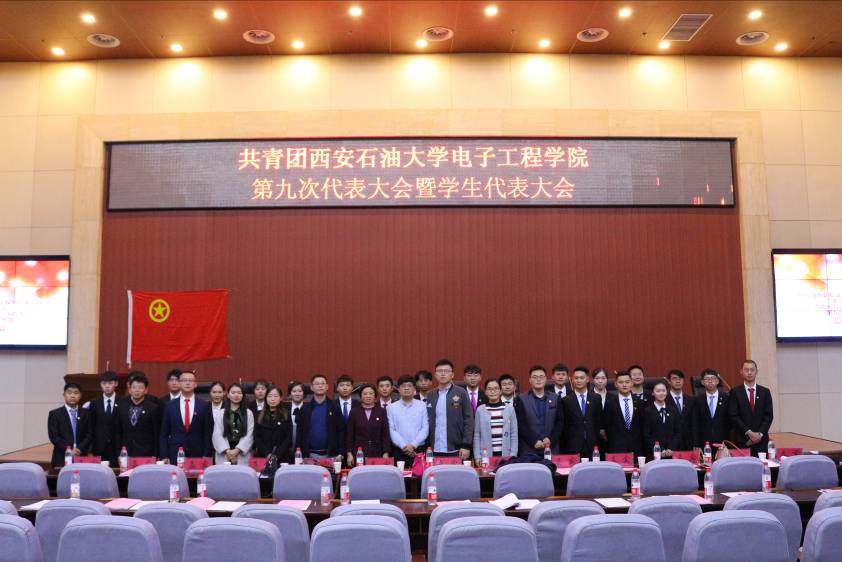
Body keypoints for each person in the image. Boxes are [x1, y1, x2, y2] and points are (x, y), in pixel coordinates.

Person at [159, 370, 213, 464]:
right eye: (184, 380)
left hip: (198, 454)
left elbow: (208, 433)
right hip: (174, 454)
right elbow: (164, 434)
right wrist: (164, 455)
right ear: (179, 383)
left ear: (195, 384)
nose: (187, 383)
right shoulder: (169, 406)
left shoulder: (204, 405)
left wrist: (207, 455)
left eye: (190, 380)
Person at [426, 359, 474, 460]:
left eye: (446, 371)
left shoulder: (461, 392)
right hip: (434, 449)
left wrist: (466, 445)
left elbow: (469, 419)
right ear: (435, 375)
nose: (443, 374)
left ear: (452, 375)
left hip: (456, 449)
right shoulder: (430, 395)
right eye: (440, 371)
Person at [728, 360, 774, 456]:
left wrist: (760, 434)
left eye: (752, 370)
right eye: (746, 370)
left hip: (761, 441)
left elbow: (768, 416)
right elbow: (734, 416)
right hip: (742, 441)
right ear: (741, 372)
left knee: (762, 465)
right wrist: (749, 432)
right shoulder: (735, 392)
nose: (749, 372)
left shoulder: (765, 392)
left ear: (756, 372)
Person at [297, 374, 345, 462]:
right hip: (309, 456)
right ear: (311, 387)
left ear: (327, 387)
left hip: (331, 455)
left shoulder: (335, 407)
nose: (320, 386)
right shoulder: (305, 409)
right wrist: (299, 453)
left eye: (323, 383)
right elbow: (299, 432)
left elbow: (341, 431)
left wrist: (341, 452)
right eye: (317, 384)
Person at [516, 365, 564, 455]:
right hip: (529, 449)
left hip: (551, 449)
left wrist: (550, 439)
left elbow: (560, 422)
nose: (538, 379)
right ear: (530, 380)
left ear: (546, 379)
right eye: (535, 377)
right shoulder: (521, 399)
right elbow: (520, 424)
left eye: (541, 377)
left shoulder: (555, 398)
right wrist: (533, 441)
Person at [116, 372, 160, 458]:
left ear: (145, 390)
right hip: (126, 452)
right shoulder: (121, 407)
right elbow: (118, 432)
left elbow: (156, 434)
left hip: (146, 453)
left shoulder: (153, 408)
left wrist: (156, 454)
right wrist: (118, 452)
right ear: (130, 390)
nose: (137, 390)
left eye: (140, 388)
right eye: (134, 387)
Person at [561, 366, 603, 457]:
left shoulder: (596, 398)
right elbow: (565, 425)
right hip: (573, 445)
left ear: (587, 379)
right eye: (576, 378)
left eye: (581, 378)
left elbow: (599, 421)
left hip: (593, 445)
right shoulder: (566, 400)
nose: (578, 380)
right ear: (572, 380)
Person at [48, 382, 93, 467]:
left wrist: (79, 449)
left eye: (76, 393)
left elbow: (90, 434)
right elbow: (54, 437)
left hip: (81, 455)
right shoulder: (55, 414)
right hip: (61, 457)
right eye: (69, 392)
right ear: (64, 395)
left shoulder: (86, 413)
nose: (72, 396)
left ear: (80, 395)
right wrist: (69, 450)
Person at [388, 375, 429, 464]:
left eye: (409, 386)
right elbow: (392, 429)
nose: (406, 388)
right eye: (403, 386)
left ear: (414, 389)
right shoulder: (391, 407)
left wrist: (413, 445)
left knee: (419, 472)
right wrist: (403, 446)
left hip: (418, 449)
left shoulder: (422, 405)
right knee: (399, 473)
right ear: (398, 389)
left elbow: (425, 428)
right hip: (399, 450)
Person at [346, 384, 391, 465]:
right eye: (365, 394)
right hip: (359, 452)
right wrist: (349, 453)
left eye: (371, 393)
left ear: (375, 396)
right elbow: (349, 434)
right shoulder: (354, 412)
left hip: (378, 452)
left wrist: (386, 452)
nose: (368, 396)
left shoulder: (381, 411)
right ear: (360, 396)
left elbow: (385, 434)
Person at [474, 378, 518, 459]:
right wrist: (477, 456)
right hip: (486, 455)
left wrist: (513, 454)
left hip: (506, 454)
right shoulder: (480, 410)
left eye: (495, 388)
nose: (492, 391)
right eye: (489, 389)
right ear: (486, 392)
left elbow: (514, 434)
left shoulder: (509, 409)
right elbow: (477, 435)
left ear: (500, 391)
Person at [602, 371, 643, 457]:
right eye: (621, 382)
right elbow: (607, 426)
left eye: (627, 382)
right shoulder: (610, 403)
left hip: (637, 448)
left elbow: (642, 426)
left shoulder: (640, 402)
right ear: (616, 384)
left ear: (632, 383)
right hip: (616, 448)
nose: (624, 385)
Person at [212, 383, 254, 465]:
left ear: (243, 395)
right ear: (228, 395)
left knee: (242, 472)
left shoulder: (248, 413)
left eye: (239, 393)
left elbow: (250, 434)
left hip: (242, 452)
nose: (236, 395)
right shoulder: (221, 413)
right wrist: (228, 451)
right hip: (225, 452)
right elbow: (217, 434)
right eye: (233, 392)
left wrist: (237, 450)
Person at [87, 370, 122, 466]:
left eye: (110, 383)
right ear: (100, 384)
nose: (107, 386)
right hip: (99, 447)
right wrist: (90, 449)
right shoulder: (94, 403)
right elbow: (91, 427)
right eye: (104, 383)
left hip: (117, 448)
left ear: (116, 384)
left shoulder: (123, 401)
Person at [642, 380, 682, 460]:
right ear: (653, 393)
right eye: (658, 391)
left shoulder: (673, 410)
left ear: (667, 392)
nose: (661, 393)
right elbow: (646, 434)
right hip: (654, 453)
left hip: (671, 453)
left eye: (663, 391)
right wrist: (660, 448)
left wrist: (671, 448)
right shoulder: (647, 411)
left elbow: (677, 432)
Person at [692, 369, 731, 450]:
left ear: (717, 381)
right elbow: (695, 423)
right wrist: (696, 444)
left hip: (723, 442)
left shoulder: (727, 398)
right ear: (702, 382)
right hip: (704, 444)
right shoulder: (697, 400)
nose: (710, 381)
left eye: (713, 378)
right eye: (707, 379)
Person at [253, 386, 292, 461]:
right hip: (263, 456)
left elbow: (288, 437)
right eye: (270, 396)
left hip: (282, 456)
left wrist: (277, 454)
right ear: (266, 398)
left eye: (275, 396)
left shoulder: (286, 414)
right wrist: (267, 454)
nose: (272, 399)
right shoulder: (259, 414)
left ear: (280, 398)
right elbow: (256, 437)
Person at [666, 369, 694, 450]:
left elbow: (694, 422)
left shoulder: (691, 400)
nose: (678, 381)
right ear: (669, 381)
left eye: (680, 378)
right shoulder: (664, 400)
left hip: (688, 442)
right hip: (670, 443)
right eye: (674, 378)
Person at [288, 381, 306, 454]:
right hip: (286, 450)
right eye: (294, 391)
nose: (297, 394)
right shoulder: (284, 409)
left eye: (300, 391)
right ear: (290, 393)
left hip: (303, 449)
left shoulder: (308, 409)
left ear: (304, 393)